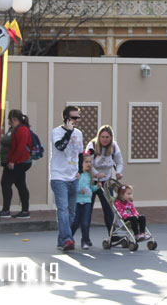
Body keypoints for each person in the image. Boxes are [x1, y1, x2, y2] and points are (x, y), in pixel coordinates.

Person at [50, 106, 84, 251]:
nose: (76, 121)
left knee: (71, 212)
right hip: (59, 176)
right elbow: (60, 146)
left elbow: (81, 153)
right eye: (73, 118)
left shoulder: (79, 133)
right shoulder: (56, 132)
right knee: (62, 209)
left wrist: (80, 171)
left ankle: (61, 240)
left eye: (78, 118)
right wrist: (68, 132)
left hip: (73, 176)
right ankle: (67, 239)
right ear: (65, 117)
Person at [86, 124, 124, 233]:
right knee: (88, 209)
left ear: (111, 138)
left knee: (109, 208)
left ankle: (112, 234)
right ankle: (86, 237)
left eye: (107, 137)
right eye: (102, 137)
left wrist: (118, 172)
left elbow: (119, 162)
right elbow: (88, 163)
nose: (105, 140)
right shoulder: (92, 145)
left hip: (106, 182)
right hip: (92, 181)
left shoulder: (114, 146)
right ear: (99, 137)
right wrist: (96, 174)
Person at [0, 109, 33, 218]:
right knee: (20, 184)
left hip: (20, 162)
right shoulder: (13, 129)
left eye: (9, 119)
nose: (8, 121)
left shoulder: (22, 130)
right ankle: (24, 210)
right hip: (16, 161)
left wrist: (13, 161)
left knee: (6, 183)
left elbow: (20, 147)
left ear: (13, 118)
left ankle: (7, 209)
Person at [71, 153, 98, 249]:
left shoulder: (88, 175)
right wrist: (80, 191)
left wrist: (96, 187)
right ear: (81, 163)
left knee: (85, 222)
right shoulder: (78, 175)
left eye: (90, 162)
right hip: (78, 202)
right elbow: (74, 187)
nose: (89, 164)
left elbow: (90, 188)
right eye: (86, 162)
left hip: (87, 201)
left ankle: (85, 240)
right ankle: (69, 237)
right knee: (75, 222)